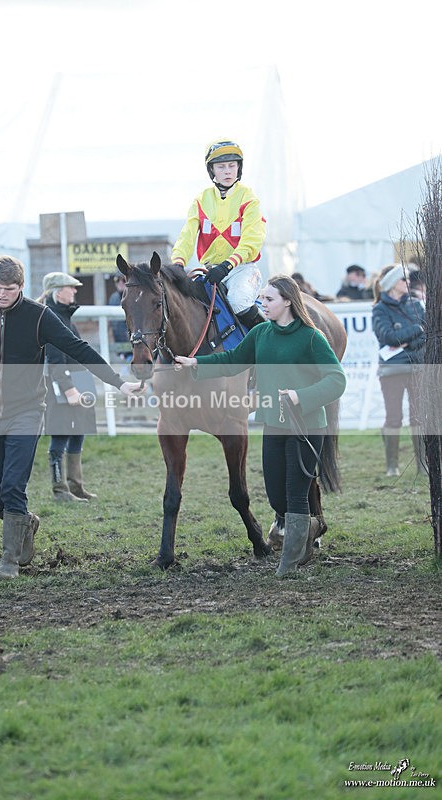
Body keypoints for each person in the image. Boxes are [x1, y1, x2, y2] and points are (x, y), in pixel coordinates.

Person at [0, 255, 143, 581]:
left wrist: (119, 381)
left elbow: (79, 347)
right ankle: (24, 522)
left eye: (10, 289)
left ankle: (9, 562)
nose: (2, 294)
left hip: (27, 412)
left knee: (13, 484)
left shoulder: (39, 316)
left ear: (22, 287)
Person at [175, 275, 346, 577]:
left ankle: (288, 565)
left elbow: (337, 380)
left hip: (307, 426)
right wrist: (197, 364)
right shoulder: (260, 334)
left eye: (269, 300)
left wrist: (301, 396)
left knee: (294, 494)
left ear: (288, 302)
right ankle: (312, 524)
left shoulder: (311, 337)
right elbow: (233, 360)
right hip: (272, 423)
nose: (262, 304)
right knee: (275, 496)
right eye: (263, 299)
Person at [171, 139, 266, 330]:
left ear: (239, 168)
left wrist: (227, 265)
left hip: (242, 269)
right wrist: (178, 264)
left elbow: (251, 241)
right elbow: (187, 236)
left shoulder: (249, 198)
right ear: (212, 170)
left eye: (232, 165)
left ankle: (270, 342)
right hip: (210, 271)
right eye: (221, 167)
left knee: (238, 301)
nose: (228, 171)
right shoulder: (201, 200)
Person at [38, 271, 98, 503]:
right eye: (70, 287)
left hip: (78, 380)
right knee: (61, 434)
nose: (74, 291)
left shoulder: (64, 317)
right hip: (62, 384)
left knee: (78, 432)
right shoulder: (51, 317)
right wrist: (69, 389)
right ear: (57, 291)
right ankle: (60, 489)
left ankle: (75, 485)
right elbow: (54, 359)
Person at [372, 263, 426, 476]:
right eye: (404, 279)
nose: (408, 282)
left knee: (419, 417)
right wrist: (415, 330)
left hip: (417, 367)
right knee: (394, 417)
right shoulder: (380, 309)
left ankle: (422, 464)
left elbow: (425, 334)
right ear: (393, 284)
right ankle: (392, 465)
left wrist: (407, 339)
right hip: (392, 370)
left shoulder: (416, 304)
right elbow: (387, 337)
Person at [108, 273, 129, 352]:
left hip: (133, 345)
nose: (120, 283)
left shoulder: (135, 297)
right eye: (117, 280)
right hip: (118, 345)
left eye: (123, 280)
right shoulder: (113, 298)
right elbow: (109, 323)